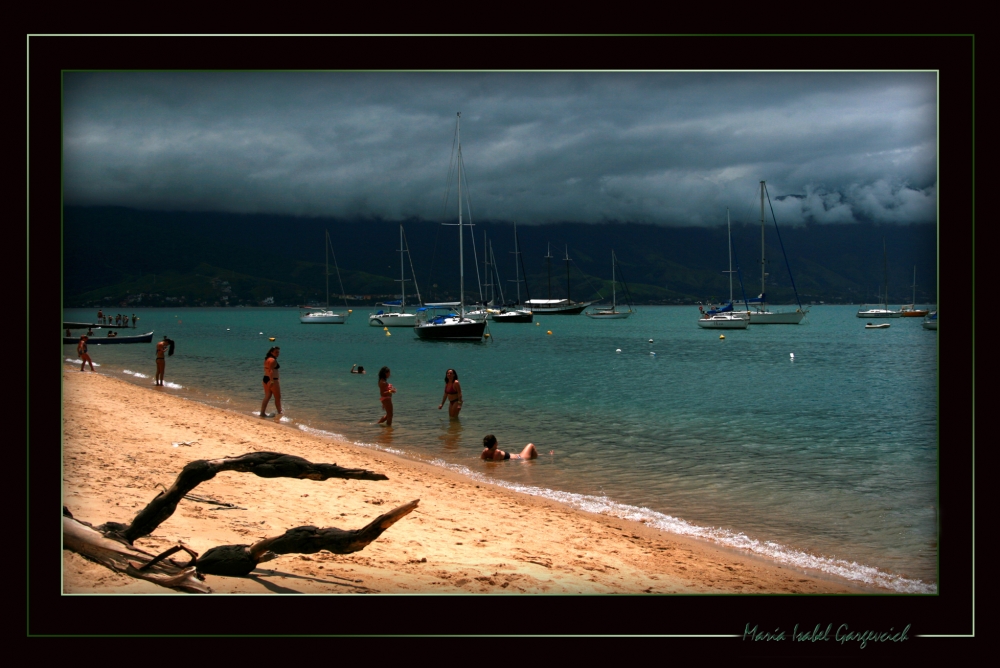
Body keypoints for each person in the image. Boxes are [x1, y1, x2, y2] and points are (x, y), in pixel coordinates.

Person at [260, 347, 282, 417]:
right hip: (272, 380)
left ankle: (262, 413)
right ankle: (280, 413)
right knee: (277, 397)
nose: (278, 354)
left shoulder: (266, 359)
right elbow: (271, 371)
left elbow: (266, 369)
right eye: (276, 352)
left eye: (278, 352)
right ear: (271, 352)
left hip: (265, 379)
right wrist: (272, 381)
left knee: (267, 396)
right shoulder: (273, 360)